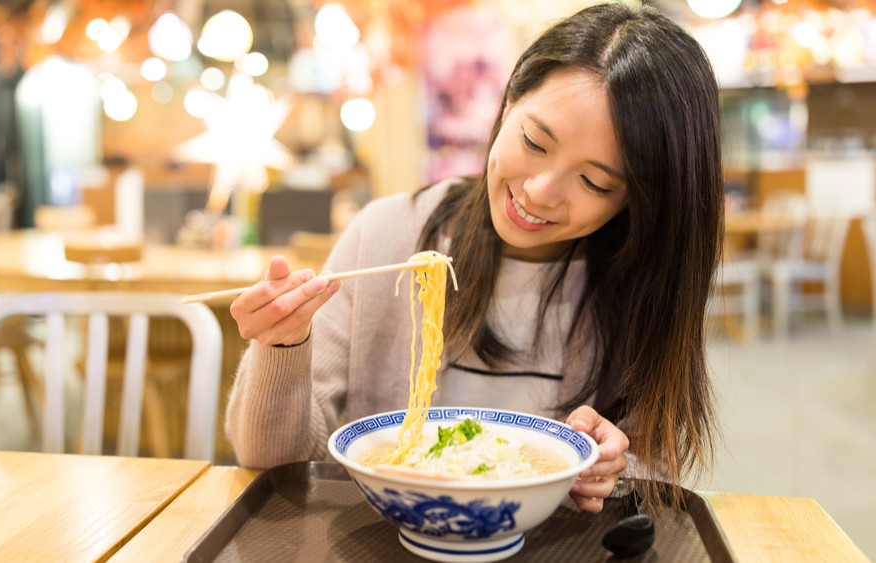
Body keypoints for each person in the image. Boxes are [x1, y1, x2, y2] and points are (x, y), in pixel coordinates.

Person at [225, 1, 722, 513]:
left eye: (594, 181)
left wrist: (612, 471)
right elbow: (274, 463)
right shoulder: (389, 235)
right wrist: (282, 345)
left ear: (636, 199)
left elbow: (655, 477)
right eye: (534, 141)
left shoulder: (642, 280)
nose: (539, 191)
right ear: (507, 105)